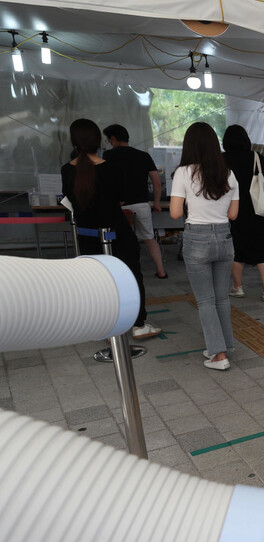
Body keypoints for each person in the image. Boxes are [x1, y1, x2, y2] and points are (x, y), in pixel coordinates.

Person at [61, 118, 160, 341]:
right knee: (130, 276)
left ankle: (102, 326)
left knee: (96, 281)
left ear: (74, 142)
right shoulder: (111, 167)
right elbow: (121, 199)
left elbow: (68, 199)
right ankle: (137, 324)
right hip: (117, 232)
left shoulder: (66, 170)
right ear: (99, 140)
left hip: (87, 236)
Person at [170, 122, 240, 371]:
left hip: (197, 239)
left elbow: (175, 213)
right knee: (221, 298)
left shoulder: (183, 173)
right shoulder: (228, 173)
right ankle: (223, 345)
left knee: (206, 300)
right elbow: (233, 214)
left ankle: (218, 354)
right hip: (224, 238)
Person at [221, 124, 264, 302]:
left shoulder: (222, 158)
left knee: (237, 249)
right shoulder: (255, 156)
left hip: (233, 208)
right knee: (261, 249)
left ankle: (238, 287)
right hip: (257, 208)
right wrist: (263, 178)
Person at [102, 124, 167, 279]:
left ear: (113, 139)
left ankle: (121, 273)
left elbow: (105, 181)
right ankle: (161, 271)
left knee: (118, 240)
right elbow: (157, 183)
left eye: (109, 139)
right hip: (141, 204)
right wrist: (157, 203)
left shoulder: (108, 156)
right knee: (149, 237)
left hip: (119, 206)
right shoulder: (143, 156)